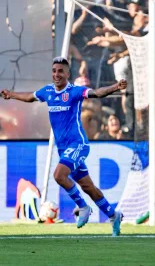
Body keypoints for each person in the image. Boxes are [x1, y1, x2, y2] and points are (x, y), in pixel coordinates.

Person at [0, 57, 126, 236]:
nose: (56, 74)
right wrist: (11, 95)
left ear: (68, 74)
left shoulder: (75, 92)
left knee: (59, 175)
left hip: (78, 144)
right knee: (87, 186)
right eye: (54, 71)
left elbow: (97, 93)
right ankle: (114, 215)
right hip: (64, 148)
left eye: (60, 71)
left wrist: (115, 87)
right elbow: (30, 97)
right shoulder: (48, 91)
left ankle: (83, 207)